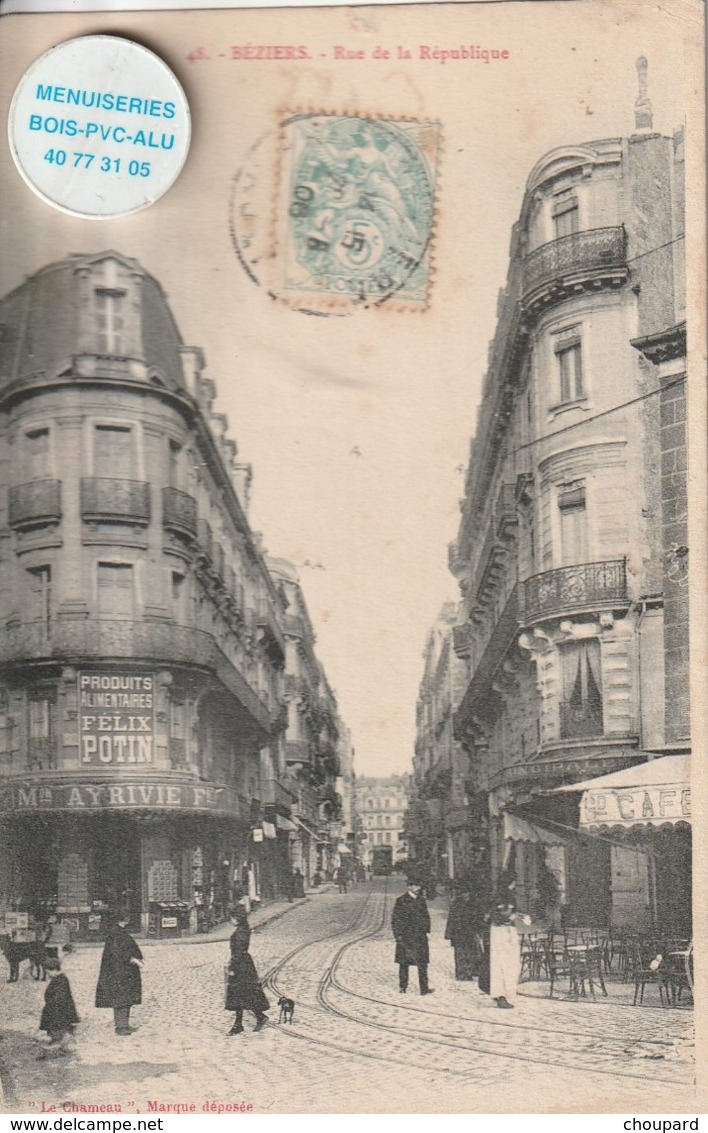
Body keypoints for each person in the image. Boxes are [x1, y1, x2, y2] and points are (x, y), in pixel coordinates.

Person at [95, 911, 144, 1035]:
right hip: (119, 972)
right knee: (121, 999)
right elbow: (119, 953)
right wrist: (132, 959)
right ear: (124, 919)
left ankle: (125, 1025)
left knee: (126, 999)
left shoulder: (118, 932)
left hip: (124, 971)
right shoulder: (116, 934)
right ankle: (121, 1027)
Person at [225, 905, 270, 1035]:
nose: (231, 921)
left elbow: (238, 952)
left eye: (232, 918)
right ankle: (240, 1023)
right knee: (242, 993)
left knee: (243, 993)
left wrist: (232, 967)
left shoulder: (240, 932)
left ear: (237, 918)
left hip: (242, 965)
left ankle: (256, 1018)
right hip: (244, 963)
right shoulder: (243, 929)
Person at [488, 882, 531, 1008]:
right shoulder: (499, 900)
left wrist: (517, 916)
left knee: (511, 965)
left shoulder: (509, 897)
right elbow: (497, 915)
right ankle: (500, 994)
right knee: (500, 964)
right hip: (500, 933)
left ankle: (507, 993)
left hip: (508, 932)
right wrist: (510, 917)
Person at [391, 877, 433, 995]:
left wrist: (426, 930)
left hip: (420, 936)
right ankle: (403, 986)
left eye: (418, 886)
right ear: (409, 887)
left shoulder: (421, 900)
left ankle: (424, 988)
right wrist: (398, 935)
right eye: (415, 886)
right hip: (406, 936)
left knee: (423, 963)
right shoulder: (401, 901)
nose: (418, 888)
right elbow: (396, 919)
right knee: (404, 963)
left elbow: (426, 916)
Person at [38, 944, 80, 1057]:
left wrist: (53, 1004)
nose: (48, 975)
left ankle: (58, 1042)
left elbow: (61, 996)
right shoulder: (58, 978)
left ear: (54, 970)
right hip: (55, 1007)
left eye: (48, 972)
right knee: (56, 1026)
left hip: (59, 1009)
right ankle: (59, 1040)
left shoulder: (61, 980)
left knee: (58, 1025)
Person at [444, 879, 485, 980]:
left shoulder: (474, 903)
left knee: (471, 953)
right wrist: (449, 934)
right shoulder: (456, 903)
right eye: (463, 893)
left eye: (466, 893)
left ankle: (469, 973)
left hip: (470, 932)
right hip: (458, 933)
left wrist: (479, 930)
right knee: (460, 954)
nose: (465, 895)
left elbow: (479, 918)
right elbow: (451, 919)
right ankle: (461, 974)